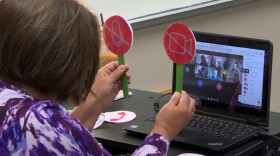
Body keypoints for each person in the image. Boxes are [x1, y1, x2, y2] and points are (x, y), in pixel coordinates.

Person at [0, 0, 196, 155]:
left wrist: (95, 99)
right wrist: (163, 130)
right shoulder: (34, 121)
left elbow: (62, 139)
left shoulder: (15, 105)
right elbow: (48, 132)